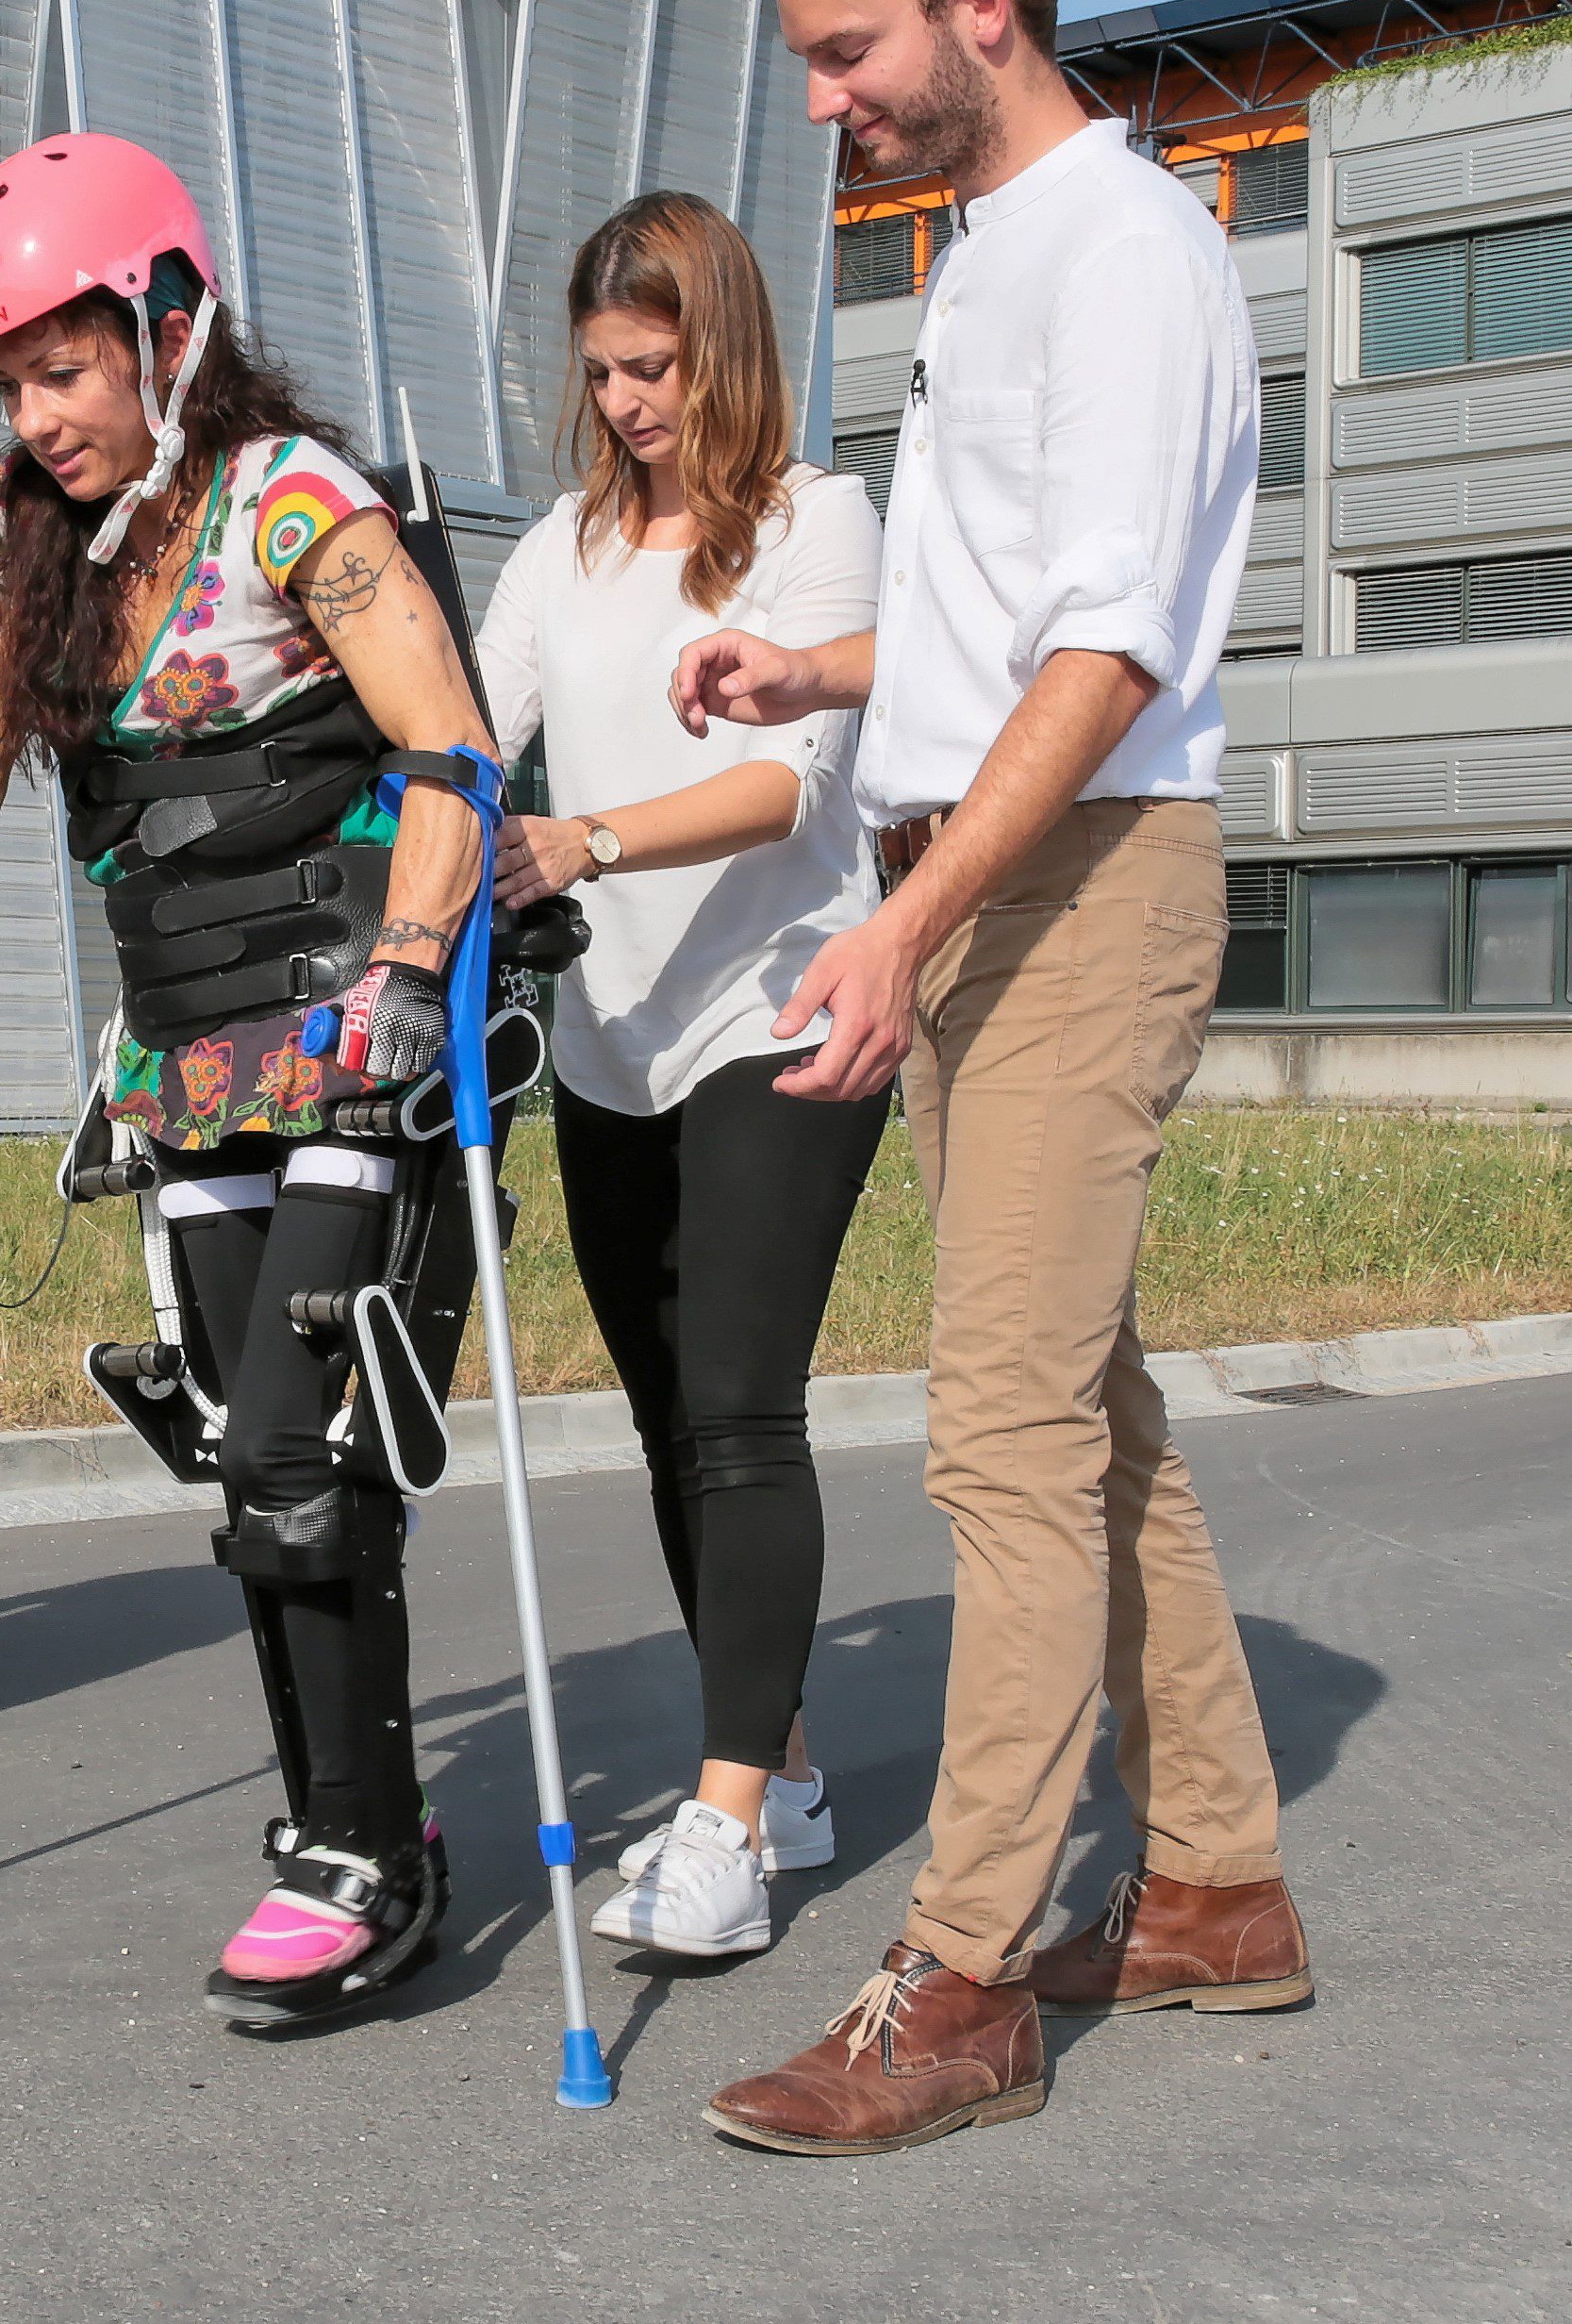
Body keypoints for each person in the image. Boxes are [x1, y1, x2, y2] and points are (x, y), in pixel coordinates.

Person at [681, 0, 1308, 2157]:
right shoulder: (984, 257)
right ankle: (1219, 1878)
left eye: (844, 53)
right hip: (984, 860)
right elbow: (993, 618)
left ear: (979, 3)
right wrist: (812, 673)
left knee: (1000, 1431)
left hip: (1074, 883)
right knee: (1092, 1401)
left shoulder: (1124, 250)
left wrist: (905, 917)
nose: (822, 100)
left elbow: (1114, 641)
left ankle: (958, 1976)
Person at [0, 133, 495, 2027]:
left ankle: (368, 1857)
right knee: (243, 1471)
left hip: (360, 1040)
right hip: (182, 1071)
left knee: (294, 1455)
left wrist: (418, 967)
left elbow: (450, 751)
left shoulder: (295, 507)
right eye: (9, 382)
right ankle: (342, 1823)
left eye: (63, 369)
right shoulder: (23, 550)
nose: (36, 416)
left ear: (168, 328)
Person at [476, 191, 887, 1964]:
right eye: (602, 373)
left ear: (719, 349)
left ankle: (720, 1825)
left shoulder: (818, 525)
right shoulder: (553, 550)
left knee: (735, 1401)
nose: (630, 403)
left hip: (779, 1010)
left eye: (654, 365)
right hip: (608, 1035)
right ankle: (777, 1759)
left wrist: (580, 839)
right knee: (662, 1419)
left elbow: (790, 786)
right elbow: (458, 736)